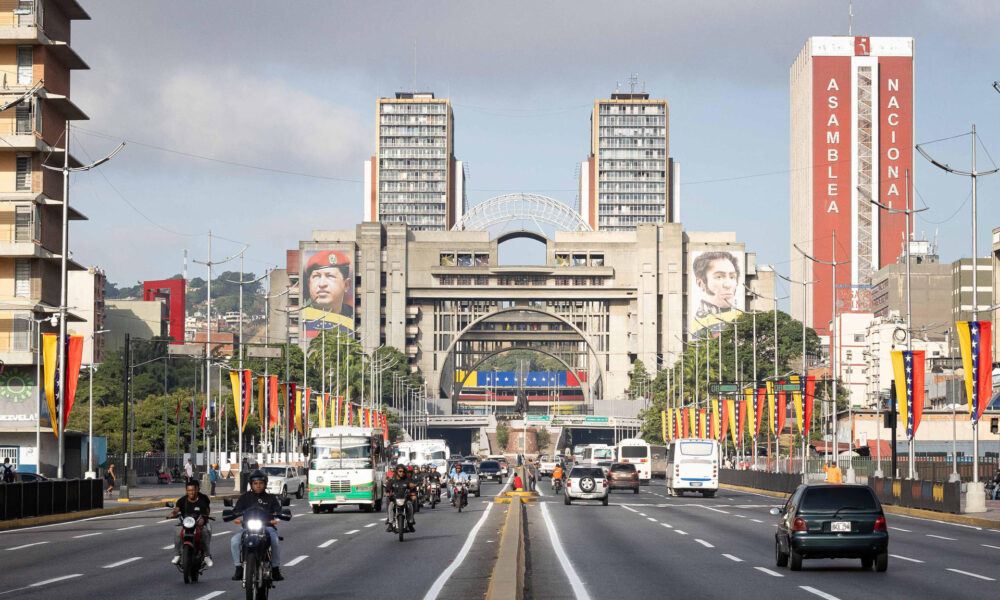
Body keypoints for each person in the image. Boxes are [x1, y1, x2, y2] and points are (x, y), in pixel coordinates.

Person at [231, 469, 283, 582]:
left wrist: (280, 513)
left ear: (265, 484)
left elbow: (278, 510)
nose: (258, 486)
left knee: (275, 541)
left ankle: (275, 569)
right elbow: (236, 509)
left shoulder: (271, 498)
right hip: (248, 527)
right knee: (234, 541)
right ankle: (238, 568)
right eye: (255, 483)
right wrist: (234, 513)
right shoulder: (245, 497)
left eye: (261, 483)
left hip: (267, 527)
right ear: (251, 484)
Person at [169, 479, 213, 567]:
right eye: (189, 490)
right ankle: (177, 554)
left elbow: (206, 512)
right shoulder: (182, 500)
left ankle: (207, 555)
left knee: (204, 532)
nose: (191, 492)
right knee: (177, 531)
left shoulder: (202, 500)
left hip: (199, 523)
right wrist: (172, 514)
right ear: (186, 491)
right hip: (186, 523)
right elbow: (176, 510)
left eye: (193, 490)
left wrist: (203, 519)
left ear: (197, 490)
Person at [692, 252, 741, 330]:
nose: (728, 285)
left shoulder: (741, 319)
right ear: (701, 283)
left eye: (732, 277)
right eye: (719, 277)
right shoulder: (699, 324)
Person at [386, 464, 416, 531]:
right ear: (397, 471)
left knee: (410, 505)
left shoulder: (407, 480)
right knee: (390, 506)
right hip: (395, 499)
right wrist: (387, 493)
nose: (402, 473)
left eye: (403, 472)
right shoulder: (392, 480)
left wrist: (413, 493)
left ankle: (410, 522)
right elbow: (388, 488)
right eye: (400, 471)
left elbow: (413, 488)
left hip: (405, 499)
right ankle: (390, 523)